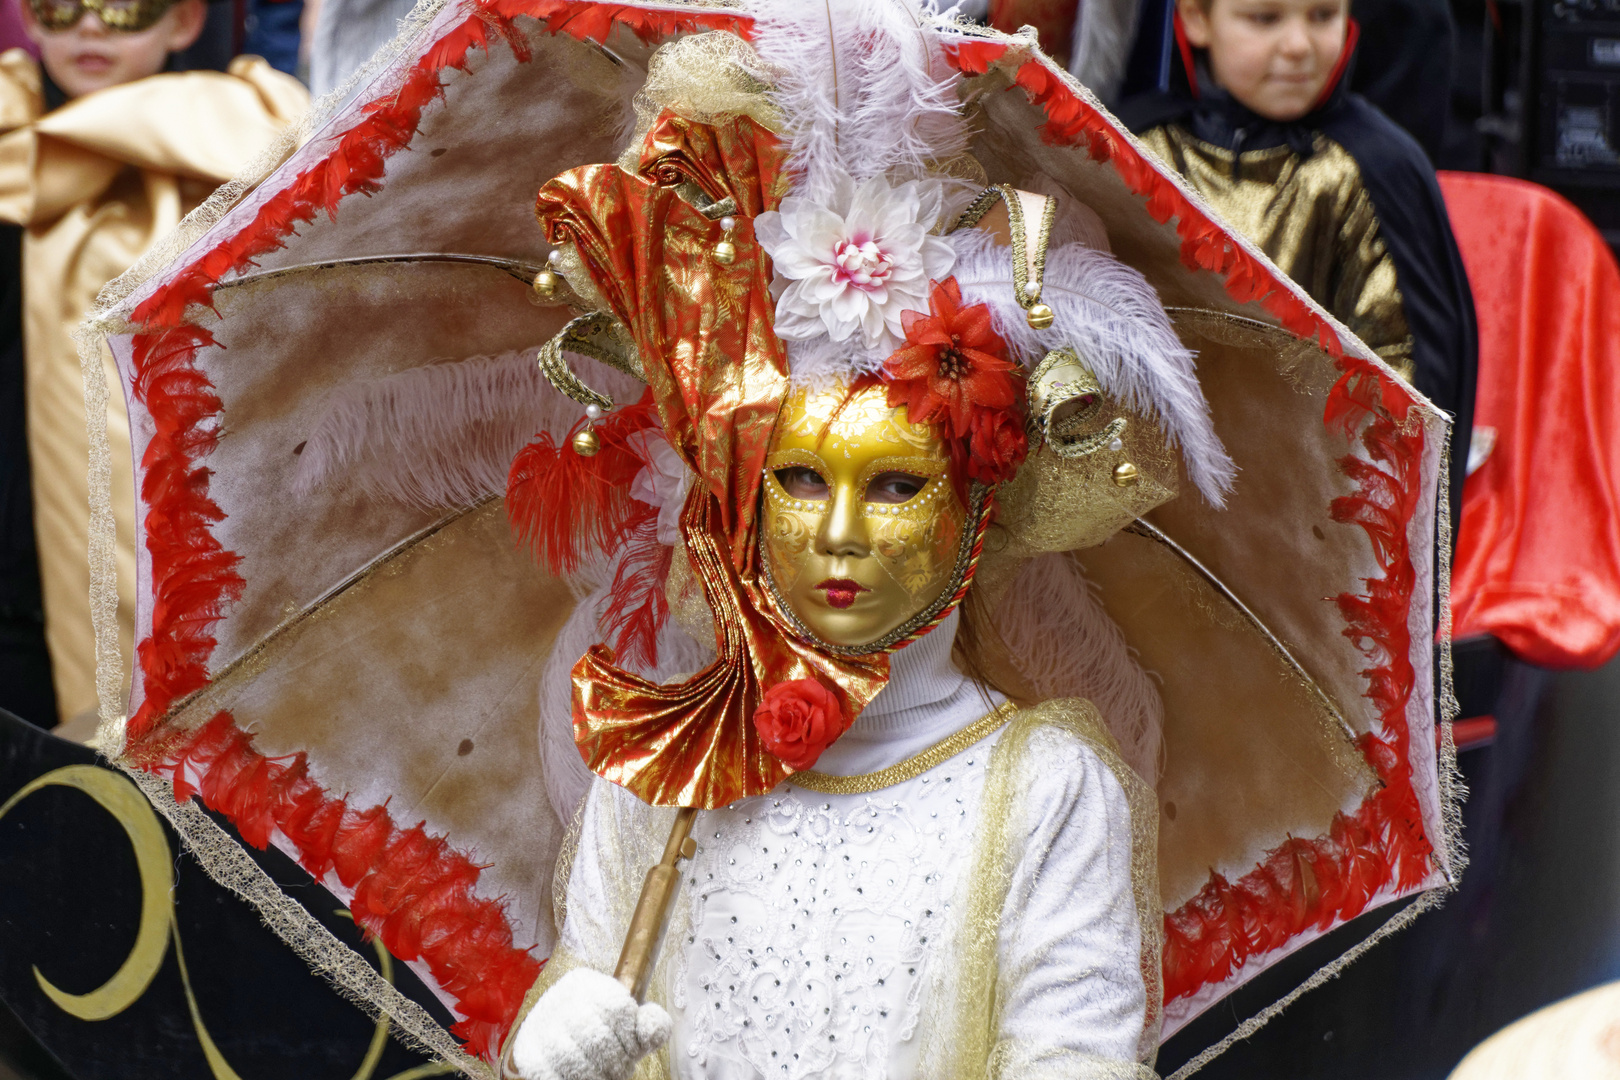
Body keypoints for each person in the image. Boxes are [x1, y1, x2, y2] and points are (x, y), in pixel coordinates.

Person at [0, 0, 306, 729]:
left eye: (125, 7)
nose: (91, 28)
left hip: (196, 553)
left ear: (184, 21)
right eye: (61, 6)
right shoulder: (11, 139)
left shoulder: (248, 143)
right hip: (14, 564)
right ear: (29, 20)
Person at [1118, 0, 1477, 522]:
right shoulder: (1134, 148)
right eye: (1264, 19)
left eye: (1323, 15)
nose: (1298, 46)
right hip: (1148, 496)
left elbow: (1406, 375)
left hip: (1313, 509)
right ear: (1197, 18)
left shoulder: (1374, 171)